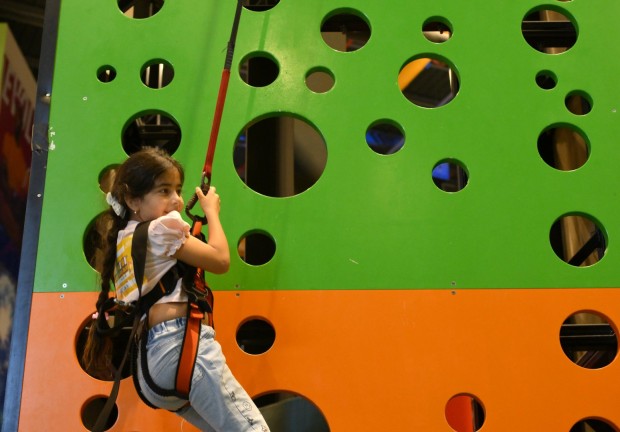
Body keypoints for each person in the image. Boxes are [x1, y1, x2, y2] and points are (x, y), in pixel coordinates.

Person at [82, 147, 270, 432]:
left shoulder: (124, 241)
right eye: (164, 191)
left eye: (178, 190)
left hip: (150, 367)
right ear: (133, 199)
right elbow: (220, 260)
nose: (177, 201)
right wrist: (212, 212)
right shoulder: (162, 228)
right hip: (181, 347)